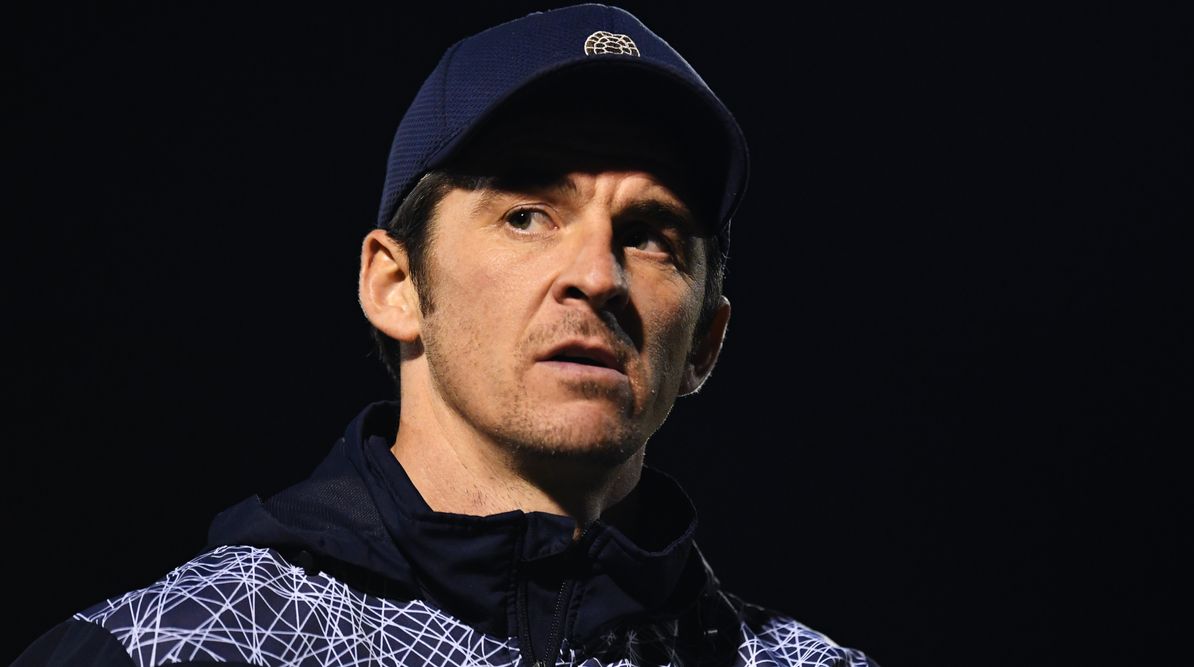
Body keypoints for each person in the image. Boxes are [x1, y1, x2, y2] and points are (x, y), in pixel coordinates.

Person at [16, 5, 877, 666]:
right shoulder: (183, 646)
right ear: (396, 285)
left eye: (651, 234)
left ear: (706, 340)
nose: (599, 275)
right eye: (528, 214)